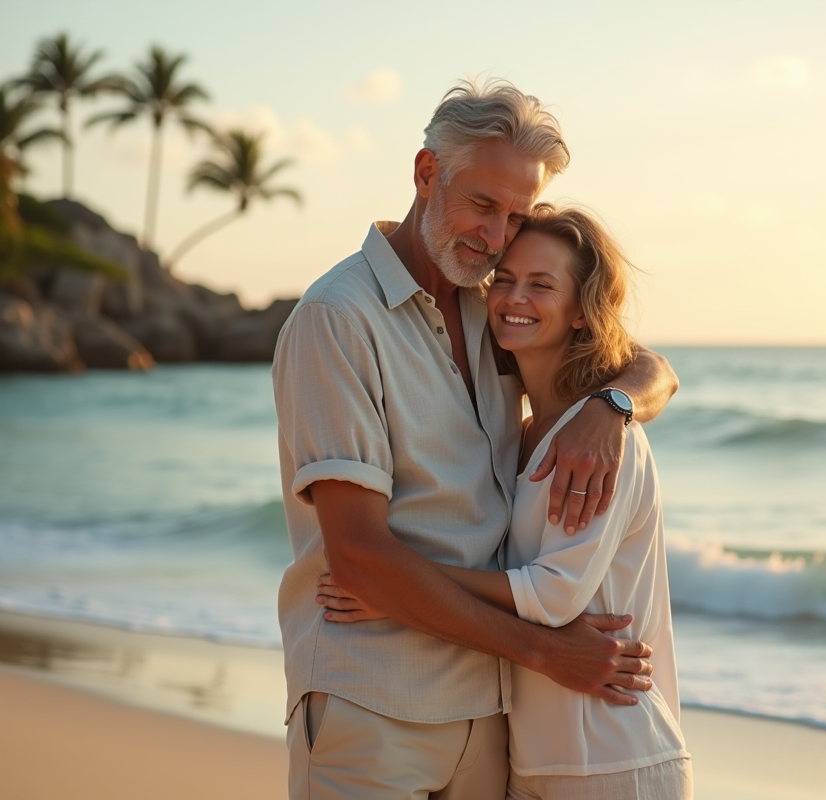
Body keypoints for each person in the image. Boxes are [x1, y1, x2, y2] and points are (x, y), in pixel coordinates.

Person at [272, 80, 678, 800]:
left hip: (491, 719)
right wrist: (549, 652)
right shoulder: (338, 320)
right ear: (427, 174)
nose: (495, 238)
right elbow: (360, 559)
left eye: (515, 216)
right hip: (374, 706)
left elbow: (651, 368)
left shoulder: (489, 308)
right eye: (483, 205)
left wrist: (610, 406)